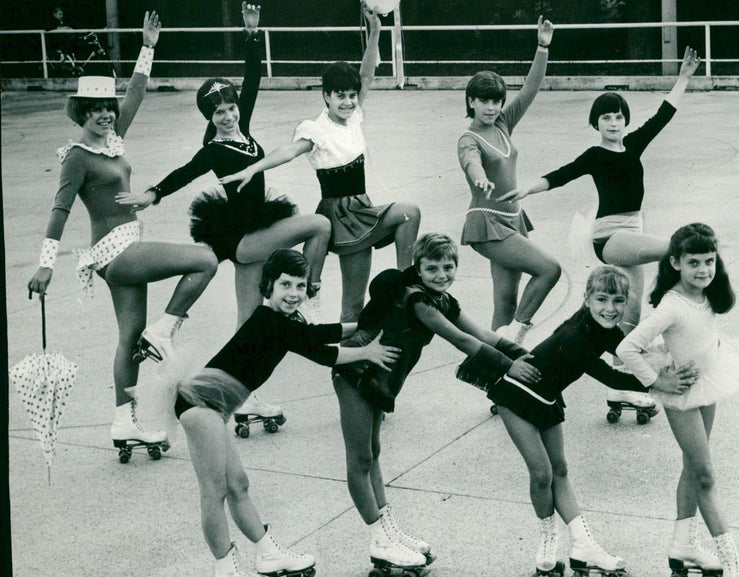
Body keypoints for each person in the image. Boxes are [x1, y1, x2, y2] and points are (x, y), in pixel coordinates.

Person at [117, 3, 331, 423]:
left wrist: (252, 36)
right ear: (210, 118)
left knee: (247, 330)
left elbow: (251, 81)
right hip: (248, 240)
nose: (230, 115)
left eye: (231, 108)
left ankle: (241, 399)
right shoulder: (214, 148)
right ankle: (312, 295)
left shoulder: (244, 126)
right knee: (319, 224)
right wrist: (152, 193)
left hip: (251, 237)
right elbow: (184, 173)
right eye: (220, 112)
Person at [27, 12, 218, 455]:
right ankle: (166, 330)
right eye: (95, 110)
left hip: (124, 253)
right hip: (117, 251)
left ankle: (122, 422)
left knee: (128, 339)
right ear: (80, 112)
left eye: (107, 109)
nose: (105, 116)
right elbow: (60, 208)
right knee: (205, 259)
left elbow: (134, 95)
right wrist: (44, 264)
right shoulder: (76, 156)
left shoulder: (113, 140)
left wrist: (147, 46)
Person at [171, 249, 401, 577]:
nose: (294, 294)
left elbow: (317, 333)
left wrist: (363, 324)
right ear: (269, 286)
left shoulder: (285, 321)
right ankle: (225, 570)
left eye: (300, 286)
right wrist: (367, 351)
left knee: (239, 485)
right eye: (285, 285)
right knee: (215, 490)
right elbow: (323, 354)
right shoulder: (269, 320)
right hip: (200, 404)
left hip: (213, 405)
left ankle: (267, 555)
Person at [498, 45, 701, 407]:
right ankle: (681, 306)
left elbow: (662, 115)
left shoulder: (634, 145)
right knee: (679, 247)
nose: (613, 123)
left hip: (633, 233)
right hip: (609, 237)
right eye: (606, 117)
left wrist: (683, 77)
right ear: (597, 124)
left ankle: (621, 387)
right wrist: (528, 188)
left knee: (628, 315)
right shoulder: (595, 155)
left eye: (619, 117)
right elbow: (561, 175)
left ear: (625, 121)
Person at [330, 233, 540, 571]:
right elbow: (459, 339)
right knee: (360, 458)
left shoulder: (441, 298)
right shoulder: (417, 300)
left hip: (381, 381)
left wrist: (526, 354)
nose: (442, 274)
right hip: (355, 374)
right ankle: (378, 539)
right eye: (432, 268)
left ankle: (388, 529)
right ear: (418, 267)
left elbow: (484, 334)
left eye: (448, 266)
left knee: (373, 453)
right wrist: (508, 366)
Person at [475, 265, 698, 577]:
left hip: (548, 398)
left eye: (618, 301)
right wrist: (657, 384)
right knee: (542, 473)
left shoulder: (604, 328)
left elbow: (629, 352)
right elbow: (610, 376)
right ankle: (548, 545)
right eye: (602, 299)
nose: (610, 309)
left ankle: (582, 544)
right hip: (517, 397)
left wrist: (664, 354)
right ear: (587, 299)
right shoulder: (577, 336)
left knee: (560, 470)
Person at [219, 5, 421, 323]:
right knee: (404, 214)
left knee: (357, 296)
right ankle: (311, 294)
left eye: (352, 95)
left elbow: (367, 73)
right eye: (340, 95)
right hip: (339, 215)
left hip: (363, 210)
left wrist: (377, 31)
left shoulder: (354, 114)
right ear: (326, 96)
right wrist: (252, 168)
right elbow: (289, 151)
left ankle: (406, 289)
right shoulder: (316, 129)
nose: (348, 101)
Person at [617, 223, 739, 577]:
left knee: (693, 466)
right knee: (705, 475)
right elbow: (626, 348)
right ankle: (732, 561)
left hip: (708, 384)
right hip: (683, 397)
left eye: (709, 261)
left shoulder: (706, 295)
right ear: (675, 262)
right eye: (694, 262)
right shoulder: (670, 306)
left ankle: (682, 545)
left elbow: (702, 335)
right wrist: (657, 380)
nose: (703, 270)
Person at [457, 16, 560, 347]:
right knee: (549, 269)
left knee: (505, 302)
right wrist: (480, 179)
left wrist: (542, 46)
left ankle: (495, 365)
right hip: (488, 224)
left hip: (513, 221)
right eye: (485, 100)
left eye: (496, 101)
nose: (491, 107)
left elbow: (530, 89)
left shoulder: (502, 123)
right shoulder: (468, 137)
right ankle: (517, 335)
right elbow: (470, 161)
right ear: (471, 100)